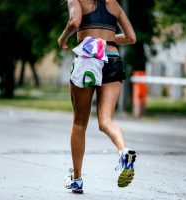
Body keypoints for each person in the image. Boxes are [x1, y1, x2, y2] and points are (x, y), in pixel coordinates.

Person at [58, 0, 137, 194]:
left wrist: (63, 38)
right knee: (106, 120)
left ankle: (77, 180)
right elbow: (131, 38)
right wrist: (107, 40)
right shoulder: (114, 4)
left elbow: (75, 22)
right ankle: (123, 151)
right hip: (113, 59)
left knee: (79, 123)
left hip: (88, 59)